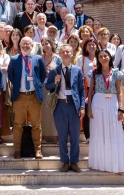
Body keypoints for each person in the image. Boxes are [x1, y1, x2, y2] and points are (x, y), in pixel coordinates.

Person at [87, 49, 124, 173]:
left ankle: (114, 164)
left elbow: (119, 91)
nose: (103, 58)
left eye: (105, 56)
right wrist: (89, 107)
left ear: (110, 57)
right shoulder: (94, 73)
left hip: (112, 102)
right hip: (98, 102)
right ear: (98, 59)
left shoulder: (116, 73)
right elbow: (90, 91)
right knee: (99, 132)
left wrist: (121, 108)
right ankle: (100, 163)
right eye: (100, 56)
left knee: (113, 132)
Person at [45, 44, 85, 173]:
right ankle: (64, 162)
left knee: (74, 136)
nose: (66, 53)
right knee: (62, 136)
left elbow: (81, 89)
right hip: (60, 106)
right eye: (63, 52)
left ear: (72, 53)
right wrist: (54, 82)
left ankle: (74, 162)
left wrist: (82, 106)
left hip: (74, 106)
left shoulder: (77, 70)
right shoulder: (54, 70)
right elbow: (48, 87)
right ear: (60, 54)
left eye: (68, 51)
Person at [8, 37, 47, 159]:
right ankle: (17, 150)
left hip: (34, 96)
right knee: (17, 124)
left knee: (36, 125)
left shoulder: (38, 58)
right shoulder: (14, 59)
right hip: (19, 96)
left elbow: (42, 75)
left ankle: (38, 150)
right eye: (23, 44)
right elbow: (10, 75)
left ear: (32, 45)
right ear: (19, 45)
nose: (25, 46)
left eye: (28, 44)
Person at [41, 37, 61, 143]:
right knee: (44, 112)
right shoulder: (40, 58)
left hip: (54, 86)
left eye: (47, 43)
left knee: (54, 110)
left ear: (51, 44)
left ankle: (55, 135)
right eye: (43, 44)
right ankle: (44, 135)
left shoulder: (57, 58)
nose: (45, 46)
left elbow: (61, 70)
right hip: (43, 86)